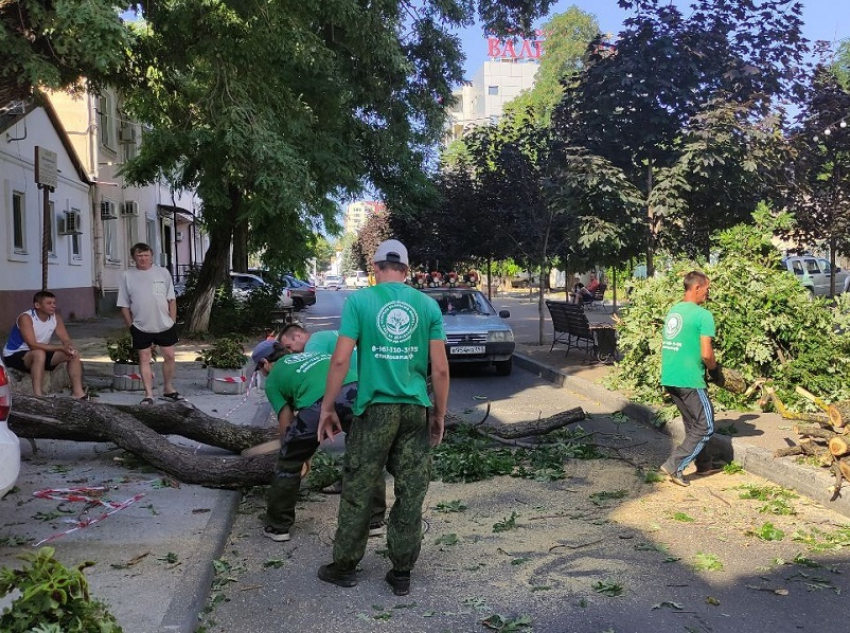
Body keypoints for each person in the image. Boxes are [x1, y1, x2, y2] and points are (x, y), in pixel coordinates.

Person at [315, 239, 450, 597]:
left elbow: (341, 360)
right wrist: (438, 413)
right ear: (407, 270)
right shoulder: (427, 306)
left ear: (375, 268)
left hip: (374, 410)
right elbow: (440, 370)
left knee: (360, 485)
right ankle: (401, 571)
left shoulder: (359, 302)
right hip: (413, 411)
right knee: (411, 490)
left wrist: (327, 407)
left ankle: (344, 566)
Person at [252, 341, 385, 543]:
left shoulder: (273, 381)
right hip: (359, 393)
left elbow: (286, 422)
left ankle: (278, 526)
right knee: (367, 456)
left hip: (320, 403)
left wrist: (297, 451)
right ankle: (374, 521)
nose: (262, 373)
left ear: (264, 363)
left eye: (260, 369)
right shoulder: (315, 354)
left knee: (288, 464)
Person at [659, 270, 719, 487]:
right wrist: (714, 369)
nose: (707, 293)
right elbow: (706, 353)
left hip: (670, 375)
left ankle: (705, 464)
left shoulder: (674, 311)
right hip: (690, 378)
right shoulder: (703, 315)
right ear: (696, 288)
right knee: (706, 425)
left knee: (694, 424)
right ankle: (674, 465)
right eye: (706, 289)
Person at [117, 243, 182, 406]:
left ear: (151, 256)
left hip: (164, 324)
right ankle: (148, 394)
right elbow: (124, 305)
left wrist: (173, 322)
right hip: (140, 325)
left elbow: (171, 299)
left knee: (169, 356)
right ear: (133, 258)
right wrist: (130, 326)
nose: (143, 258)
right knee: (144, 357)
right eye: (139, 255)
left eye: (146, 255)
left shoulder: (163, 273)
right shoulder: (127, 275)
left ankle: (168, 388)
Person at [2, 291, 88, 399]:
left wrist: (69, 346)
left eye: (54, 302)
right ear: (37, 305)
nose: (53, 305)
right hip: (15, 354)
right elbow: (33, 345)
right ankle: (38, 395)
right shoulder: (26, 318)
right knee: (39, 354)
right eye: (49, 303)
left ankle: (78, 393)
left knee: (73, 353)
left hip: (40, 351)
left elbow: (66, 340)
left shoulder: (55, 318)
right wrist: (61, 347)